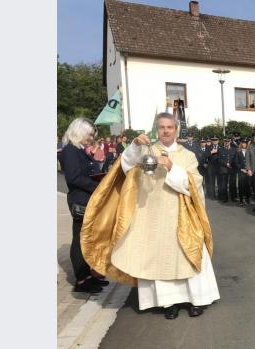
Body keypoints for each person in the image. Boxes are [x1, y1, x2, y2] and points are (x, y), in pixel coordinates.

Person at [81, 112, 219, 319]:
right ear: (157, 129)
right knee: (158, 259)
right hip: (152, 216)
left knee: (188, 254)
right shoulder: (148, 150)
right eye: (162, 127)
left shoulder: (187, 155)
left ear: (176, 130)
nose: (166, 131)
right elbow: (126, 167)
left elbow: (194, 185)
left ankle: (196, 300)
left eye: (169, 127)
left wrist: (171, 167)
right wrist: (136, 145)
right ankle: (168, 303)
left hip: (181, 214)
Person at [59, 118, 106, 293]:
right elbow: (74, 178)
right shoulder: (70, 151)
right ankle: (81, 280)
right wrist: (97, 187)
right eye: (90, 134)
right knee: (80, 241)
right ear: (79, 132)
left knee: (88, 240)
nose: (92, 138)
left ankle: (89, 275)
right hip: (80, 200)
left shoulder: (78, 150)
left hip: (87, 199)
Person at [235, 137, 250, 206]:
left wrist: (249, 169)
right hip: (241, 171)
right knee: (241, 186)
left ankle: (247, 199)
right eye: (243, 143)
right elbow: (236, 162)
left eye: (245, 143)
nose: (244, 144)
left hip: (248, 171)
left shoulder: (249, 151)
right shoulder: (238, 151)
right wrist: (241, 169)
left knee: (248, 186)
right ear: (241, 144)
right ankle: (241, 200)